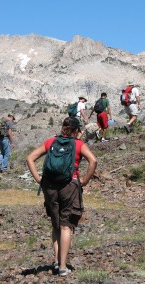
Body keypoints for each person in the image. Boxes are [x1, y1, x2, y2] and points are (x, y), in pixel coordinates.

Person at [26, 116, 97, 276]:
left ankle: (57, 261)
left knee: (56, 225)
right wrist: (84, 180)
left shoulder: (51, 142)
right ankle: (63, 266)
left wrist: (39, 179)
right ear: (77, 130)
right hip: (69, 186)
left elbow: (29, 158)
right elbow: (93, 160)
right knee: (66, 226)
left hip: (50, 187)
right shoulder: (78, 144)